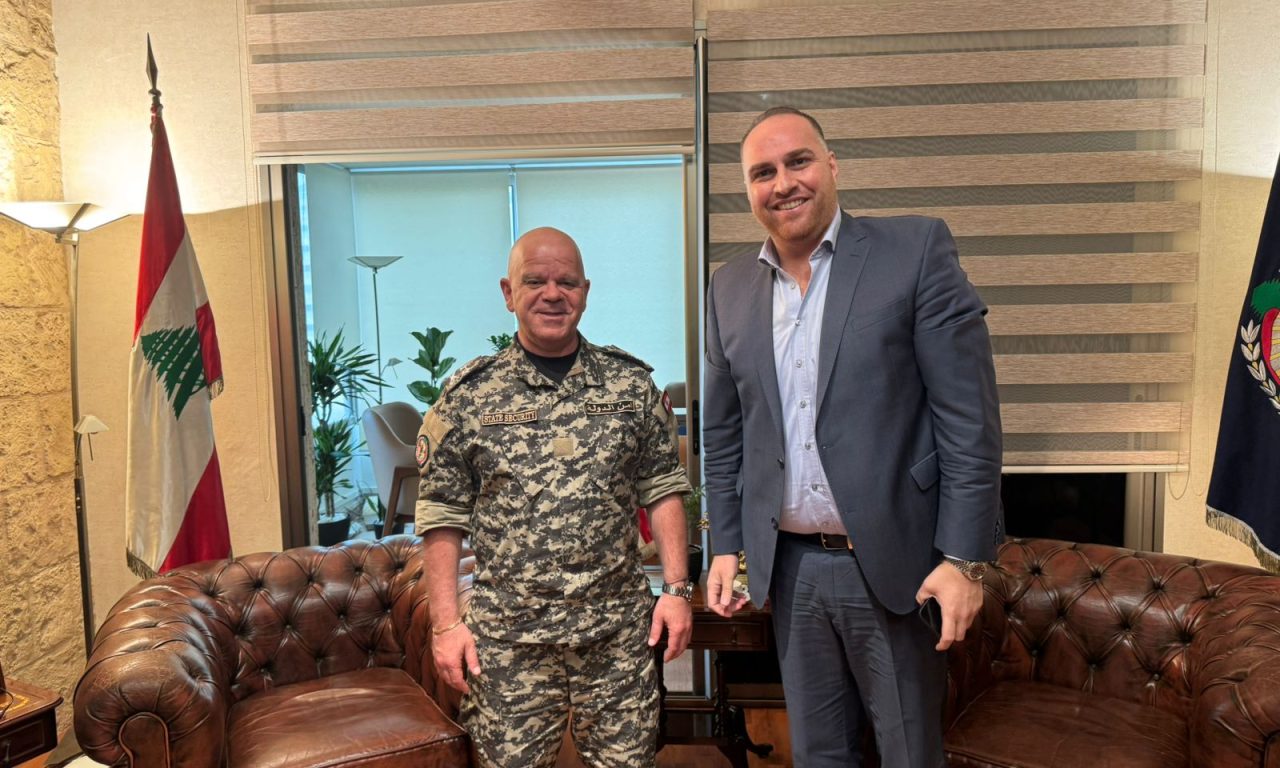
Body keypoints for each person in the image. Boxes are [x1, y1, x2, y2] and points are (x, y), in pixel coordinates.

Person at [702, 107, 1003, 767]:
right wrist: (726, 545)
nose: (783, 183)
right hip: (792, 571)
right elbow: (723, 436)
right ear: (748, 189)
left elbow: (969, 421)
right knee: (819, 755)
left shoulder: (914, 250)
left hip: (898, 564)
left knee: (908, 754)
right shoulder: (728, 288)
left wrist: (963, 560)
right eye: (762, 172)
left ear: (832, 165)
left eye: (799, 161)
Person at [415, 226, 694, 768]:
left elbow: (662, 490)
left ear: (585, 292)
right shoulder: (468, 397)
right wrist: (445, 625)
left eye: (566, 282)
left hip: (616, 636)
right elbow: (441, 516)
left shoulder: (631, 387)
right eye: (534, 281)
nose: (552, 294)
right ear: (508, 293)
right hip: (509, 642)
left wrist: (678, 591)